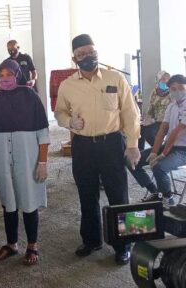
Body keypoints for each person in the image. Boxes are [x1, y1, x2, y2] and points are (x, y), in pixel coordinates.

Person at [55, 34, 141, 265]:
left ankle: (124, 245)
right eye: (81, 54)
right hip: (83, 147)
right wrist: (68, 122)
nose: (87, 57)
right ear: (74, 58)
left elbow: (131, 114)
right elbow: (59, 112)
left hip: (112, 143)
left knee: (119, 195)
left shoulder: (116, 78)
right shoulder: (67, 85)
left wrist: (132, 145)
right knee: (87, 194)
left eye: (90, 52)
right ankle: (92, 240)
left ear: (96, 51)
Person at [0, 59, 50, 266]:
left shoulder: (31, 96)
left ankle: (32, 245)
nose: (5, 79)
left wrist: (43, 161)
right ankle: (12, 244)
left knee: (29, 204)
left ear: (18, 74)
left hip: (28, 159)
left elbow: (43, 133)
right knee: (8, 204)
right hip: (2, 160)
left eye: (9, 74)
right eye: (1, 76)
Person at [130, 74, 186, 204]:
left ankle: (168, 198)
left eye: (181, 87)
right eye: (173, 89)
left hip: (183, 150)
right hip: (171, 146)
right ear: (169, 91)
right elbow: (163, 130)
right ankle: (156, 193)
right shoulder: (172, 106)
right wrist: (154, 152)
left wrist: (164, 153)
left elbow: (177, 132)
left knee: (159, 167)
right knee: (133, 161)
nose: (177, 91)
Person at [138, 71, 171, 150]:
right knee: (140, 128)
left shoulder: (172, 92)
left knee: (149, 133)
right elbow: (151, 106)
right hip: (155, 120)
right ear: (158, 81)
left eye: (167, 79)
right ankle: (140, 153)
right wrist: (147, 119)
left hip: (167, 121)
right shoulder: (154, 91)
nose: (165, 81)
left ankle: (160, 149)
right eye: (162, 79)